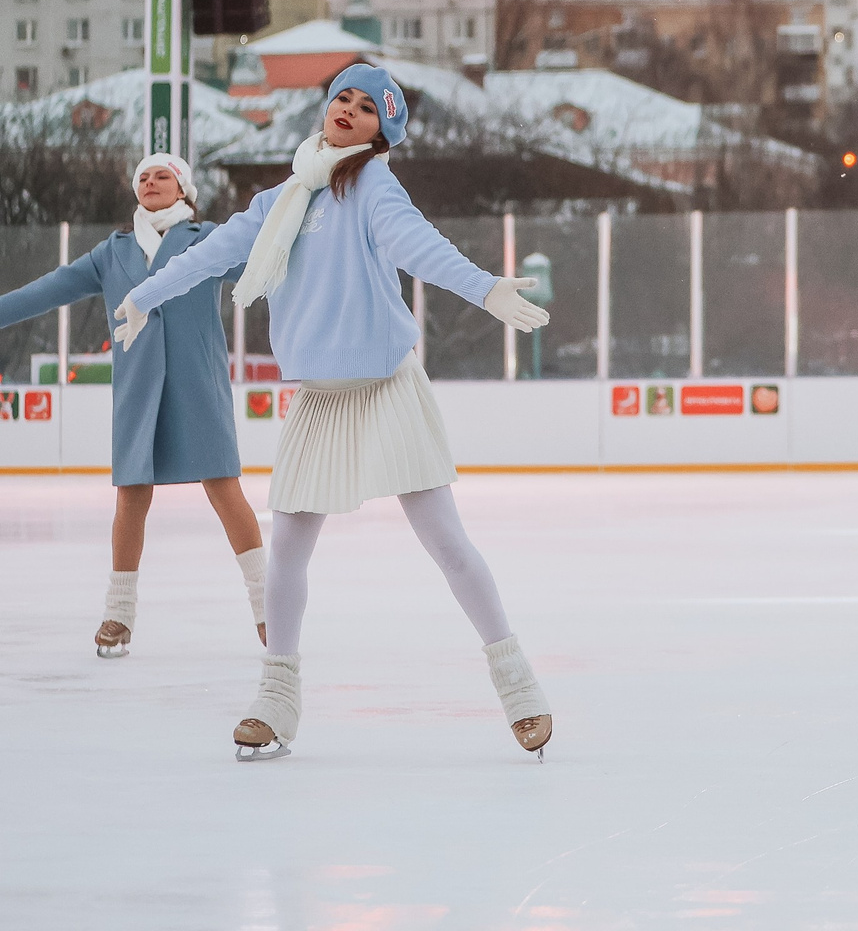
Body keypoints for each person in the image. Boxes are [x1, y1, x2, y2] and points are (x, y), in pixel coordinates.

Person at [115, 66, 555, 759]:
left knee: (446, 541)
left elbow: (416, 246)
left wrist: (484, 288)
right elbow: (209, 256)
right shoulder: (279, 200)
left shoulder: (373, 185)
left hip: (387, 384)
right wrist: (146, 296)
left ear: (383, 130)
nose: (349, 109)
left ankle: (516, 677)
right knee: (288, 547)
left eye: (366, 106)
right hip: (319, 397)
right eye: (341, 98)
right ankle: (277, 696)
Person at [0, 154, 265, 656]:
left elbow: (267, 271)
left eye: (162, 175)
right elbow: (49, 290)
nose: (150, 181)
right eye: (143, 176)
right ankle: (119, 614)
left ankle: (268, 605)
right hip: (138, 388)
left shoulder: (208, 238)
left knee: (224, 489)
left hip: (198, 384)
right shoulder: (112, 251)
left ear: (184, 189)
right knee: (132, 496)